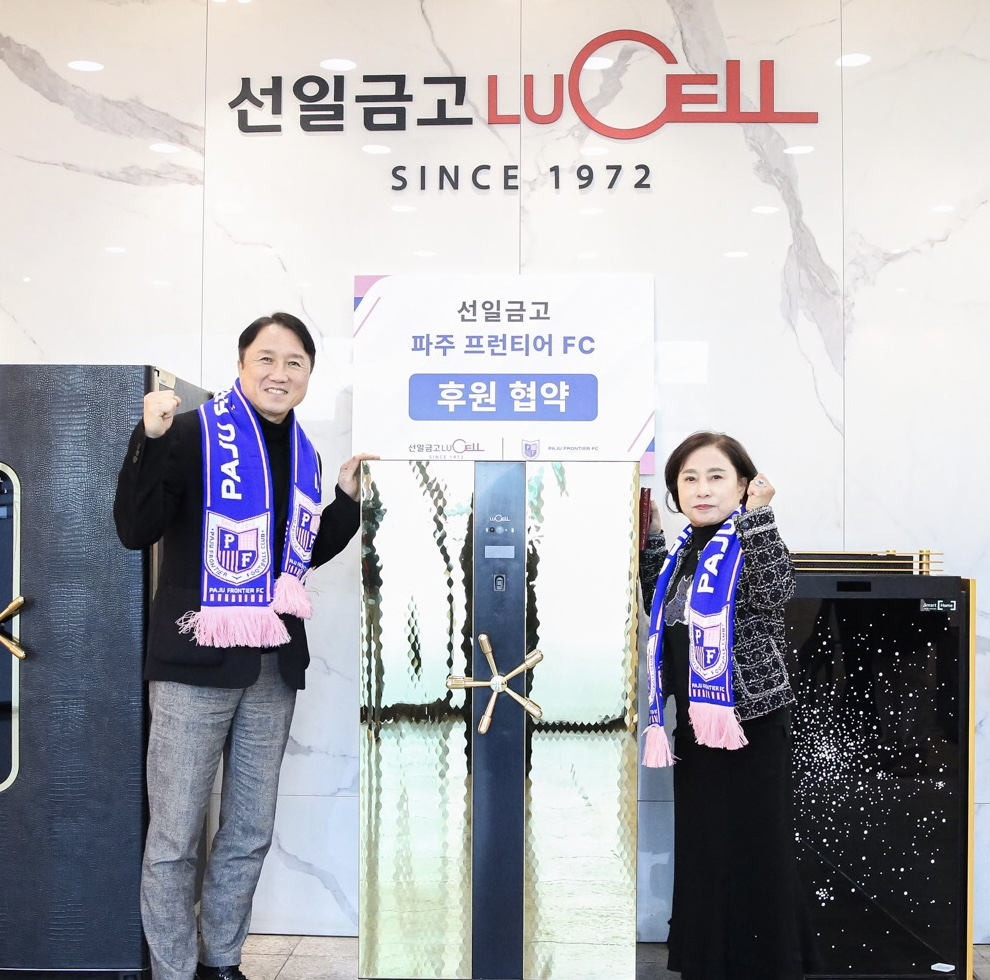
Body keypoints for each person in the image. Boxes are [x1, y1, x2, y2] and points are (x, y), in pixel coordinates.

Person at [114, 312, 376, 980]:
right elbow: (135, 529)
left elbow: (299, 557)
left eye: (295, 363)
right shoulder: (191, 434)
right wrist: (147, 440)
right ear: (240, 365)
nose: (279, 373)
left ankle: (221, 963)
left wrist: (345, 499)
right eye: (266, 358)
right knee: (174, 837)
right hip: (192, 665)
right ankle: (174, 971)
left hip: (271, 666)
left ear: (309, 375)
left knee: (248, 831)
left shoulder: (306, 455)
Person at [640, 430, 816, 980]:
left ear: (742, 485)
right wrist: (649, 538)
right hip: (696, 725)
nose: (701, 489)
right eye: (689, 478)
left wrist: (760, 517)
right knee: (704, 846)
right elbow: (660, 607)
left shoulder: (748, 541)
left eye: (716, 477)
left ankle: (766, 964)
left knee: (757, 846)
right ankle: (706, 961)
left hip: (752, 725)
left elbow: (774, 591)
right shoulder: (681, 552)